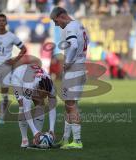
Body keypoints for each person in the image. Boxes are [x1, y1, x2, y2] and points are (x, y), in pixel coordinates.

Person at [50, 7, 88, 149]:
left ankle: (77, 141)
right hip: (80, 68)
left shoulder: (70, 27)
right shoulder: (80, 25)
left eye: (55, 21)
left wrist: (68, 62)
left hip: (74, 70)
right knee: (68, 105)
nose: (56, 25)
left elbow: (73, 45)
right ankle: (66, 139)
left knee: (71, 106)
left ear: (61, 16)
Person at [3, 63, 57, 148]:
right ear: (39, 88)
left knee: (40, 104)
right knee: (22, 106)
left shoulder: (51, 87)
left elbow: (52, 107)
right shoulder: (29, 86)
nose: (46, 96)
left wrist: (51, 129)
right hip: (18, 78)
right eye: (44, 94)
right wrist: (34, 131)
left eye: (47, 94)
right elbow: (26, 109)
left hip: (31, 74)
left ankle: (38, 139)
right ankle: (25, 140)